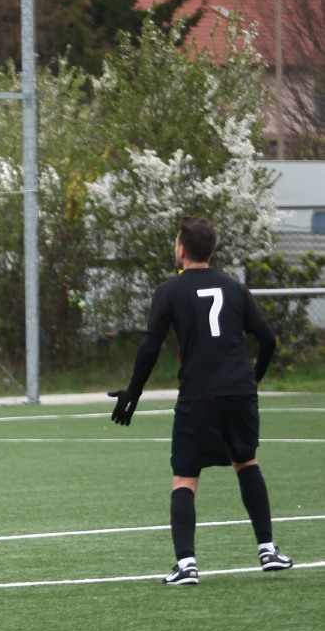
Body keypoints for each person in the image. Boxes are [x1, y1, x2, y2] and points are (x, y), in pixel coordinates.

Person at [107, 215, 292, 585]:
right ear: (211, 250)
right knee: (246, 463)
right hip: (239, 392)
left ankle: (187, 564)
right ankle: (267, 549)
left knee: (185, 478)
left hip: (198, 394)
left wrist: (133, 392)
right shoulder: (235, 288)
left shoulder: (169, 290)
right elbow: (268, 339)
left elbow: (150, 346)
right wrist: (254, 377)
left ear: (181, 250)